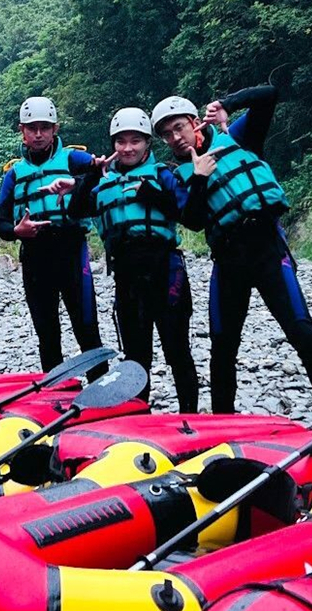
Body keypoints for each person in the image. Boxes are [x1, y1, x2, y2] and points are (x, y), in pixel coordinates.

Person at [152, 87, 312, 421]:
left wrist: (226, 105)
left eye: (179, 127)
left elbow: (269, 95)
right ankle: (223, 422)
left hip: (267, 247)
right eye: (167, 134)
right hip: (228, 257)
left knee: (302, 332)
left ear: (195, 122)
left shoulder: (237, 136)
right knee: (223, 345)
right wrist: (200, 178)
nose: (175, 137)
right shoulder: (177, 175)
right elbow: (194, 221)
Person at [43, 107, 199, 410]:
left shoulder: (164, 174)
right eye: (121, 142)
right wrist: (90, 174)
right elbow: (76, 211)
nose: (127, 148)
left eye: (135, 141)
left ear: (147, 143)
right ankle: (139, 415)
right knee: (136, 356)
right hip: (127, 276)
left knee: (177, 350)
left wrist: (154, 195)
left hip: (165, 269)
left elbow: (190, 215)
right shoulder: (103, 182)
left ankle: (190, 417)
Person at [0, 96, 106, 379]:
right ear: (22, 130)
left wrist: (78, 183)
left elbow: (105, 176)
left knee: (86, 326)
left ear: (55, 129)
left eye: (44, 127)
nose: (38, 134)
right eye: (32, 128)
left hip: (70, 248)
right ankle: (58, 394)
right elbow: (2, 223)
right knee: (47, 331)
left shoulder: (73, 159)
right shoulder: (14, 174)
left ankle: (101, 389)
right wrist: (16, 232)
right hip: (35, 255)